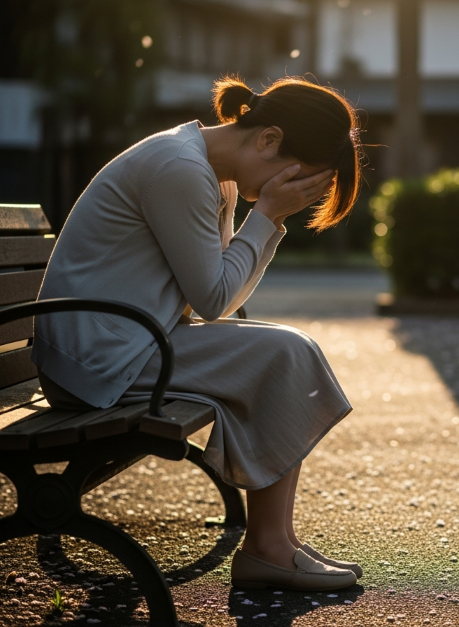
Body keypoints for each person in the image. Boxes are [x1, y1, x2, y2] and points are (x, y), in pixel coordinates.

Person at [32, 76, 364, 591]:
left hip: (127, 344)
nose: (288, 192)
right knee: (284, 354)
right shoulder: (181, 169)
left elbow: (220, 297)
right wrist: (269, 214)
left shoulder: (212, 170)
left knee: (284, 352)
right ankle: (270, 548)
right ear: (268, 139)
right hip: (99, 360)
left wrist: (267, 219)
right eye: (292, 178)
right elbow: (213, 301)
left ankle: (276, 542)